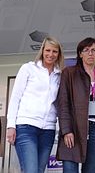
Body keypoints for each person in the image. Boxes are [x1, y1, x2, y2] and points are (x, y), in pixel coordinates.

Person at [56, 37, 95, 173]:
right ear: (80, 54)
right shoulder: (69, 73)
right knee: (70, 169)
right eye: (86, 50)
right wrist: (67, 130)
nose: (90, 53)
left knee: (90, 170)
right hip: (75, 127)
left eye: (93, 50)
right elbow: (63, 103)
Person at [6, 36, 64, 173]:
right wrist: (10, 126)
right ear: (42, 51)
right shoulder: (28, 68)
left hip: (48, 130)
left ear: (59, 54)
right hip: (26, 127)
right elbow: (15, 98)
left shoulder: (59, 75)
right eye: (48, 50)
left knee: (38, 170)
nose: (51, 54)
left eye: (55, 51)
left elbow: (59, 104)